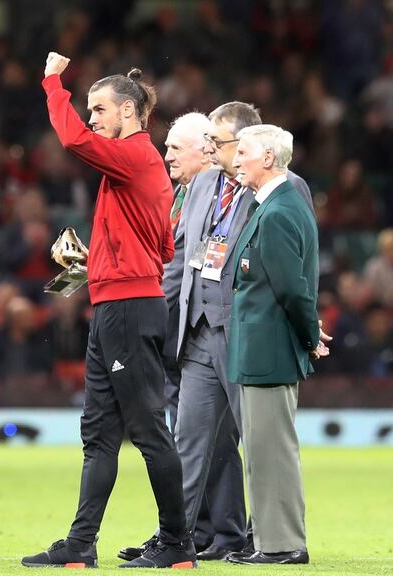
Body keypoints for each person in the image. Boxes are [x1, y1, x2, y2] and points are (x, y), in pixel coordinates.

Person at [120, 101, 317, 563]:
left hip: (247, 332)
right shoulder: (205, 182)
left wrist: (308, 322)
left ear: (249, 141)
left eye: (217, 140)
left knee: (260, 440)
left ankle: (267, 537)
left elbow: (300, 261)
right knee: (188, 439)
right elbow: (182, 257)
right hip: (198, 329)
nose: (209, 147)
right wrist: (157, 316)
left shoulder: (280, 189)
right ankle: (177, 537)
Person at [21, 53, 195, 569]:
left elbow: (72, 139)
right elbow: (161, 248)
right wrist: (93, 267)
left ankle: (178, 544)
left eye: (99, 109)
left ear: (128, 112)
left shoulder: (136, 156)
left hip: (127, 309)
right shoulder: (135, 169)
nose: (92, 118)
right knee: (99, 434)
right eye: (89, 108)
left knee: (146, 430)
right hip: (117, 304)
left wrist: (53, 82)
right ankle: (81, 545)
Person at [224, 124, 325, 565]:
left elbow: (292, 289)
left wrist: (309, 336)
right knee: (262, 453)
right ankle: (270, 541)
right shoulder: (272, 205)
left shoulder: (279, 211)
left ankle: (284, 545)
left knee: (272, 452)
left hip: (270, 349)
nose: (236, 158)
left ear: (267, 159)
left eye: (242, 151)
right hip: (260, 348)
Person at [160, 112, 214, 429]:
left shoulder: (218, 197)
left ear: (206, 149)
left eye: (176, 148)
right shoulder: (179, 195)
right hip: (173, 336)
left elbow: (187, 265)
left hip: (198, 334)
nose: (167, 156)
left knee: (202, 440)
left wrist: (144, 308)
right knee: (184, 436)